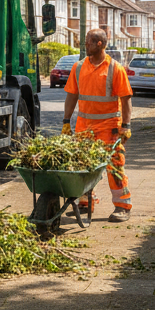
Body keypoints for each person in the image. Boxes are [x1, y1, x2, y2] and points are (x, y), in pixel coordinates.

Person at [63, 27, 133, 222]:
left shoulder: (114, 68)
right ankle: (87, 202)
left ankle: (123, 206)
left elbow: (126, 99)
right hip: (84, 127)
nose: (85, 45)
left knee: (114, 166)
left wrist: (126, 126)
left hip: (109, 127)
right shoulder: (78, 67)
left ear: (99, 44)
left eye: (88, 42)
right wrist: (66, 121)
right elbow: (72, 95)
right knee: (83, 165)